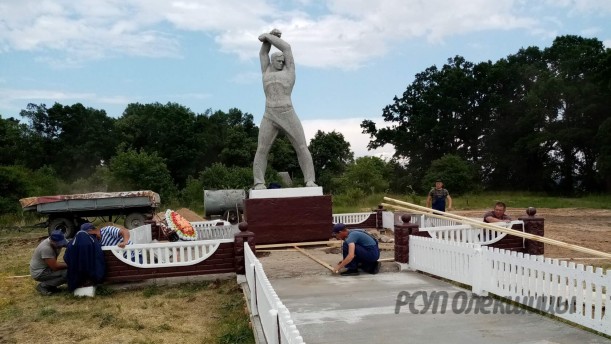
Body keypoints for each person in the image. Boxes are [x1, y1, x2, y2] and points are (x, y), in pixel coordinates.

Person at [252, 28, 317, 190]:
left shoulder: (289, 72)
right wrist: (269, 39)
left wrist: (268, 36)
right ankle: (259, 182)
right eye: (279, 60)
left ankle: (310, 180)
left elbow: (287, 48)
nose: (282, 62)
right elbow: (263, 54)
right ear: (273, 61)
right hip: (269, 114)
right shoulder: (266, 71)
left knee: (302, 146)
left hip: (287, 112)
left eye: (283, 60)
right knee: (262, 149)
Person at [29, 230, 69, 295]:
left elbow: (71, 245)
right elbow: (55, 267)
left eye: (62, 242)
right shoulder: (46, 248)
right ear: (52, 241)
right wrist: (72, 264)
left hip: (48, 267)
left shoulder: (60, 240)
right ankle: (43, 286)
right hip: (40, 272)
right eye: (59, 244)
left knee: (69, 269)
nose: (61, 245)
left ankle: (52, 286)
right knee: (68, 272)